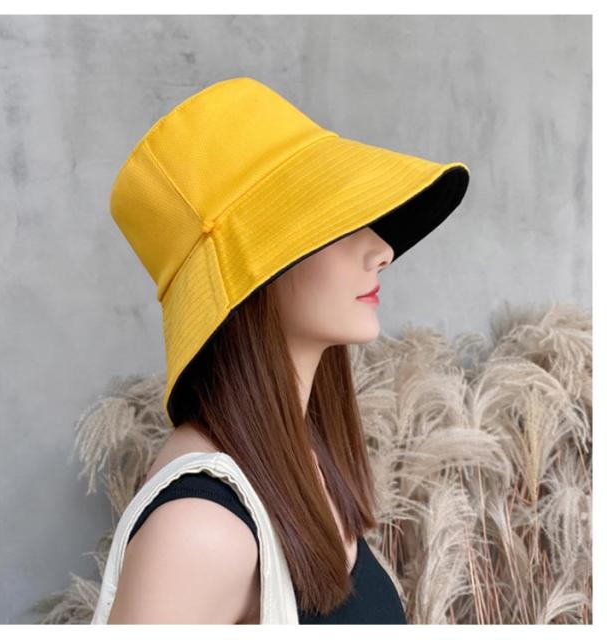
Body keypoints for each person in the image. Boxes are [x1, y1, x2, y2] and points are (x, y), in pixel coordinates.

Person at [98, 76, 470, 624]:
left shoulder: (298, 458)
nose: (382, 250)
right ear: (252, 275)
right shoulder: (201, 532)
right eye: (335, 224)